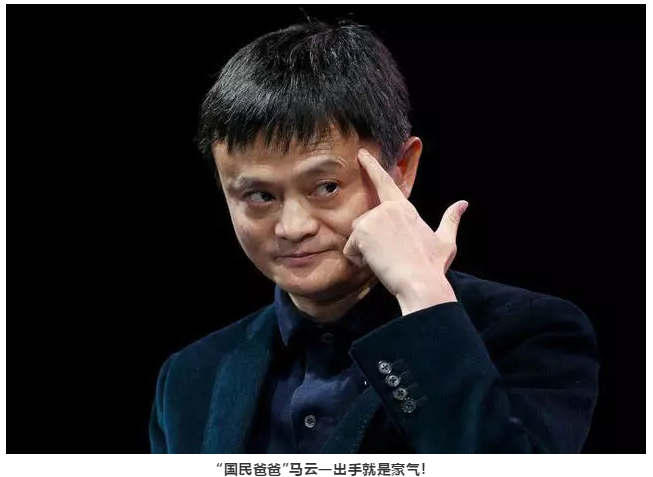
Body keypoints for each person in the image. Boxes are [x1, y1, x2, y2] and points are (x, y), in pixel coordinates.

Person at [149, 20, 599, 454]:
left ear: (401, 169)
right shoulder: (189, 377)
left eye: (326, 187)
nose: (293, 227)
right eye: (260, 196)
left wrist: (424, 301)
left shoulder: (530, 334)